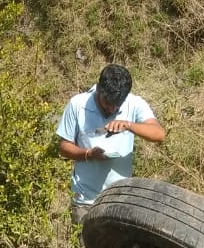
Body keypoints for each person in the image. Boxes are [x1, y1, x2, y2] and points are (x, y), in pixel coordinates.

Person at [56, 64, 167, 227]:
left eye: (118, 104)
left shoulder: (134, 104)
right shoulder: (77, 105)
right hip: (85, 200)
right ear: (99, 89)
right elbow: (64, 146)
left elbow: (159, 134)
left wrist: (129, 125)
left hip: (120, 199)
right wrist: (88, 154)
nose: (112, 108)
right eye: (108, 103)